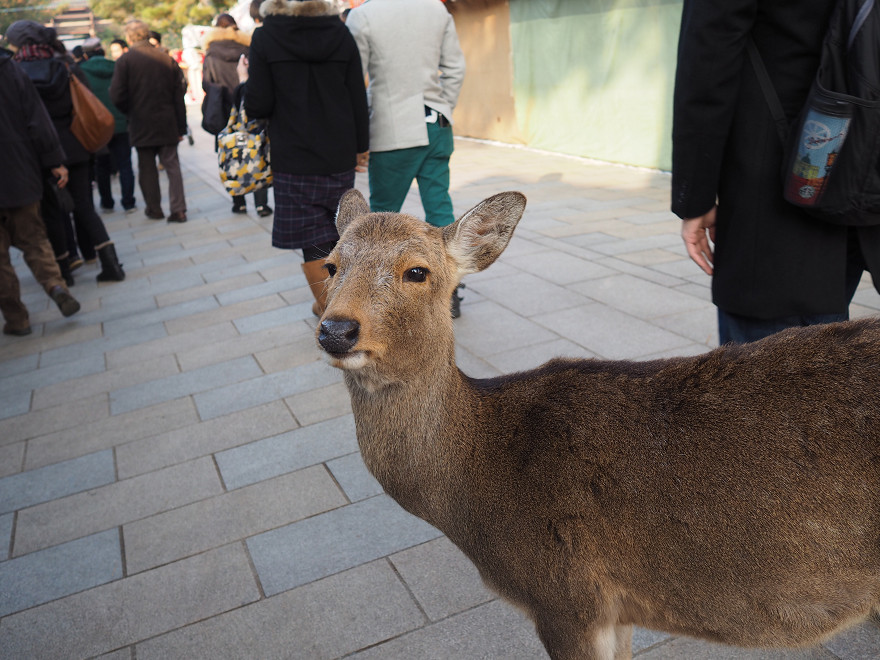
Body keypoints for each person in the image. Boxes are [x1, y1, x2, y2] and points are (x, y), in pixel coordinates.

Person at [672, 1, 880, 345]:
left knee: (770, 382)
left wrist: (695, 196)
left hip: (771, 195)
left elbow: (708, 58)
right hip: (862, 170)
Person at [243, 0, 369, 316]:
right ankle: (345, 305)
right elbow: (356, 93)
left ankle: (331, 308)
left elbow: (258, 104)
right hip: (338, 151)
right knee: (340, 230)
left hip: (292, 154)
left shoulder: (265, 36)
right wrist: (361, 146)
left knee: (311, 239)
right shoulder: (340, 33)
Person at [346, 0, 466, 316]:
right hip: (437, 124)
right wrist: (444, 105)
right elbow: (456, 68)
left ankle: (380, 294)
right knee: (440, 207)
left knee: (382, 220)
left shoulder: (362, 15)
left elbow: (353, 80)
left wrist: (358, 132)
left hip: (392, 128)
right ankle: (449, 291)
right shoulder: (436, 9)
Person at [7, 20, 126, 283]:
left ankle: (64, 273)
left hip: (40, 152)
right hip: (77, 144)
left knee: (51, 212)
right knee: (84, 205)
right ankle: (111, 264)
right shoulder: (65, 65)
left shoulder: (15, 72)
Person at [0, 46, 80, 336]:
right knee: (35, 241)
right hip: (19, 173)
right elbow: (37, 120)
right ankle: (55, 285)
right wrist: (54, 160)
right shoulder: (10, 70)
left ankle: (17, 319)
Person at [110, 20, 188, 223]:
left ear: (129, 37)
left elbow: (117, 94)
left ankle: (154, 208)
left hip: (140, 121)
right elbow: (178, 92)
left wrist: (130, 110)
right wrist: (181, 125)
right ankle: (178, 209)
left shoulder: (125, 61)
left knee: (146, 168)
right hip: (167, 120)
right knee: (172, 165)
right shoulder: (165, 58)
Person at [202, 13, 271, 217]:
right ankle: (261, 204)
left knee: (230, 152)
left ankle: (238, 201)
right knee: (257, 148)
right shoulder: (247, 49)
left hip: (224, 110)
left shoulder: (211, 54)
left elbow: (206, 84)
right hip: (249, 105)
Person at [79, 38, 136, 214]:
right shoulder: (117, 67)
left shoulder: (81, 72)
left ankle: (107, 202)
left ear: (86, 55)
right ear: (103, 52)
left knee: (101, 166)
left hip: (98, 127)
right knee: (125, 163)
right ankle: (128, 202)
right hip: (120, 123)